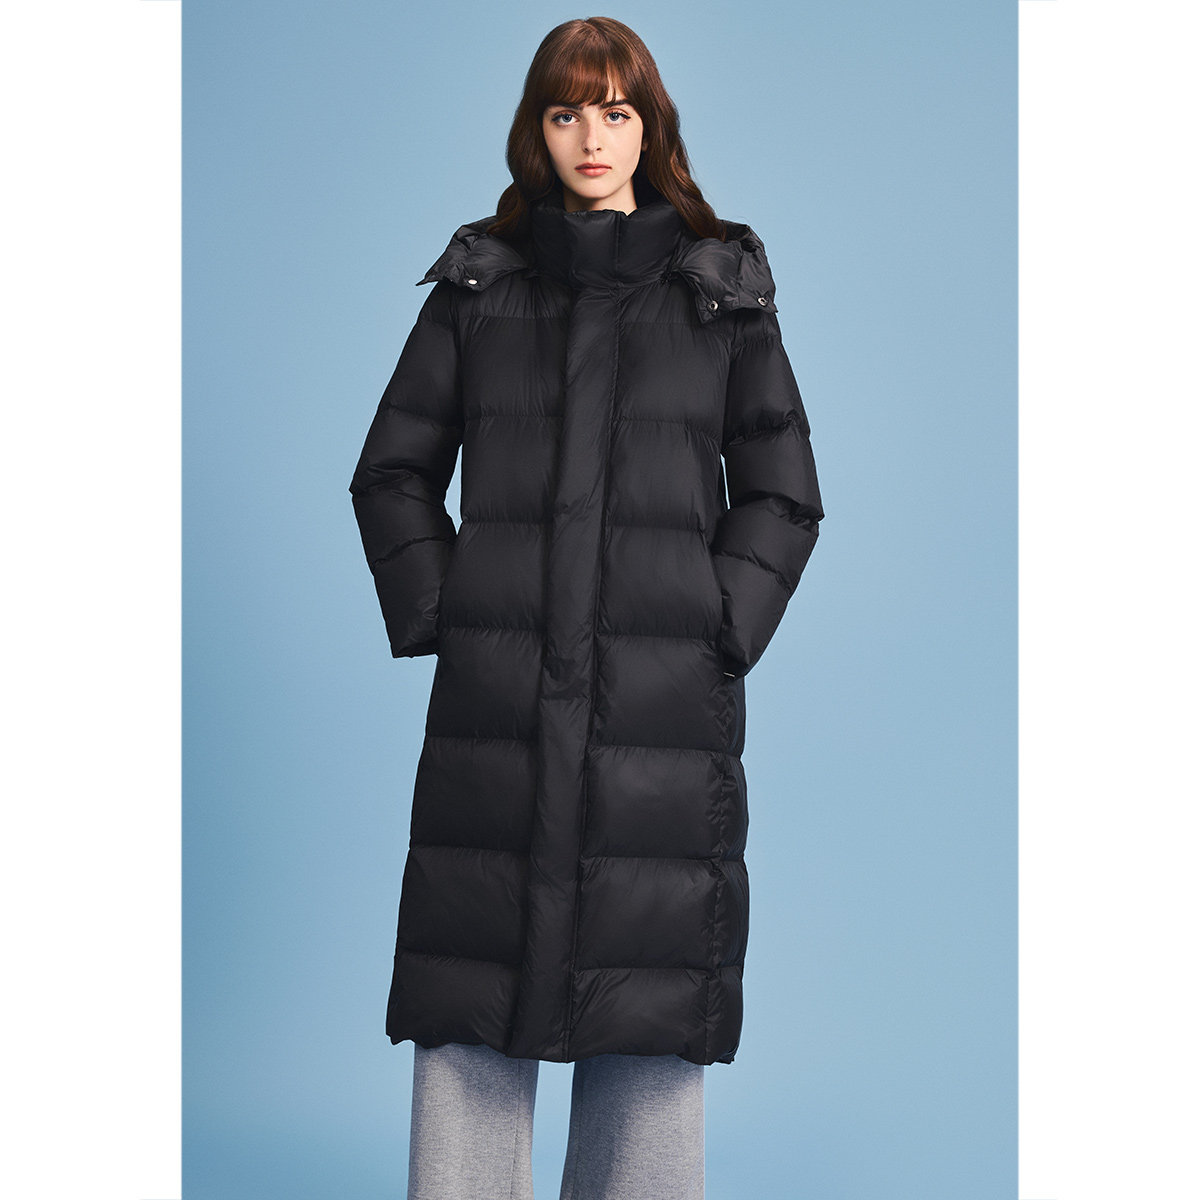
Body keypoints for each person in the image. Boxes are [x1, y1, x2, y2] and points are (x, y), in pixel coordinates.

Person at [348, 16, 824, 1200]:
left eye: (616, 111)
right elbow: (392, 471)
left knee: (648, 1004)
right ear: (538, 130)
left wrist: (716, 625)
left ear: (651, 127)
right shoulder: (479, 288)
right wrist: (454, 612)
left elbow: (783, 492)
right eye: (567, 112)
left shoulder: (719, 293)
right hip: (500, 713)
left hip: (662, 716)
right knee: (471, 993)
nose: (592, 137)